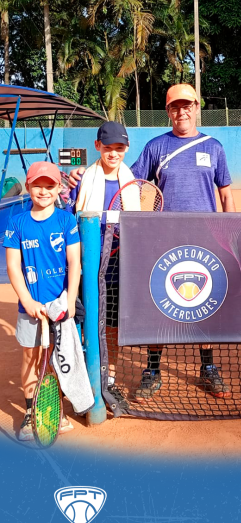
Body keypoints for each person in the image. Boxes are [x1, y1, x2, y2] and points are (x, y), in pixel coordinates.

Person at [69, 83, 236, 399]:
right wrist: (84, 173)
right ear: (168, 111)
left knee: (205, 305)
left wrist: (230, 238)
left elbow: (226, 195)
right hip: (164, 241)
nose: (181, 112)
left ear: (196, 108)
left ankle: (208, 367)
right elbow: (126, 181)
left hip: (205, 240)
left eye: (187, 105)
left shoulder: (214, 147)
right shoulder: (156, 147)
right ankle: (152, 369)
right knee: (160, 304)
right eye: (175, 107)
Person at [3, 161, 81, 440]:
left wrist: (70, 300)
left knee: (59, 360)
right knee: (32, 357)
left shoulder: (66, 220)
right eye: (38, 185)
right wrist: (27, 300)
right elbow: (13, 266)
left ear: (59, 188)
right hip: (31, 307)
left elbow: (74, 262)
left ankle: (53, 407)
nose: (44, 191)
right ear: (28, 186)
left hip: (60, 306)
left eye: (50, 185)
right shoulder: (17, 223)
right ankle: (30, 411)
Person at [66, 121, 134, 411]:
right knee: (84, 320)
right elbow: (68, 216)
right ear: (97, 146)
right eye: (108, 148)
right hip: (87, 261)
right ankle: (84, 378)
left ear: (126, 148)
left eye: (119, 148)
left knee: (112, 324)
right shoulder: (83, 179)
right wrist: (69, 179)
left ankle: (109, 378)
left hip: (118, 262)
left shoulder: (131, 182)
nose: (113, 153)